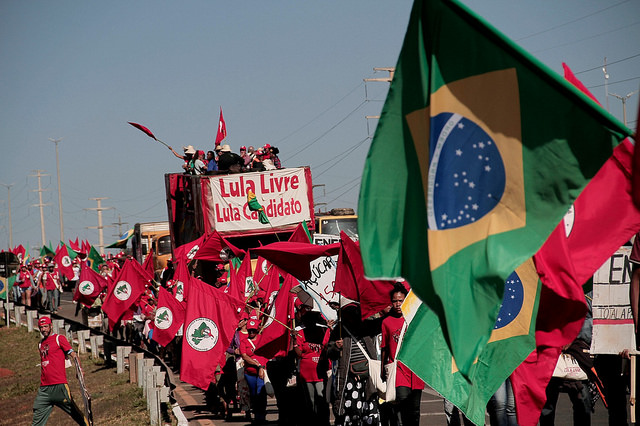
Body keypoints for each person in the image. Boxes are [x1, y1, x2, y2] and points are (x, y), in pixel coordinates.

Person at [327, 304, 382, 426]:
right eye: (348, 312)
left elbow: (381, 323)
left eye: (355, 311)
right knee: (352, 410)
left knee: (370, 410)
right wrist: (336, 346)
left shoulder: (367, 325)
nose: (352, 314)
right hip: (350, 378)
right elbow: (330, 353)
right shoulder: (339, 330)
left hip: (368, 376)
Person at [380, 283, 424, 426]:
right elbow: (384, 347)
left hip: (415, 370)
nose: (398, 304)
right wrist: (382, 369)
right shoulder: (386, 322)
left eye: (400, 300)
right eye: (395, 301)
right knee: (403, 406)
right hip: (398, 371)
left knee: (415, 410)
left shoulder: (414, 319)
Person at [32, 316, 89, 426]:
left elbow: (74, 355)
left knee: (75, 413)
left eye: (45, 326)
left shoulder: (59, 339)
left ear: (51, 326)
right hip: (44, 389)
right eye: (41, 327)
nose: (43, 329)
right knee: (37, 415)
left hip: (59, 386)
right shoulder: (40, 344)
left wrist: (79, 370)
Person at [294, 308, 331, 426]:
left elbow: (328, 348)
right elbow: (298, 353)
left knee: (322, 399)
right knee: (310, 401)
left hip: (320, 371)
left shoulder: (323, 331)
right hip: (306, 373)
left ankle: (324, 422)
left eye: (312, 320)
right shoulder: (301, 333)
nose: (310, 322)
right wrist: (294, 340)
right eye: (307, 320)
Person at [241, 320, 268, 424]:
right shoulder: (244, 342)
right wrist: (257, 364)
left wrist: (262, 367)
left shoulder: (262, 339)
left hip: (262, 371)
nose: (251, 333)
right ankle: (256, 413)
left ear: (257, 330)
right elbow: (244, 356)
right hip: (250, 373)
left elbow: (267, 353)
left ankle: (262, 414)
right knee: (253, 394)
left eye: (254, 330)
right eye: (250, 331)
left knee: (261, 392)